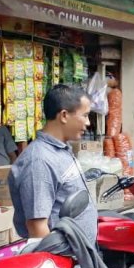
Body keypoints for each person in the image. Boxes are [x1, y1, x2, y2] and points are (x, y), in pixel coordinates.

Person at [10, 85, 97, 243]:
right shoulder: (39, 161)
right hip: (67, 262)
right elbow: (38, 230)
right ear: (64, 115)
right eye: (85, 115)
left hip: (81, 258)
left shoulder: (61, 149)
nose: (88, 122)